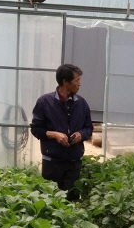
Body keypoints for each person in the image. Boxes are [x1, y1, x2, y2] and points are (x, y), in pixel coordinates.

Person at [29, 63, 92, 201]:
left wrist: (81, 134)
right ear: (65, 82)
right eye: (77, 80)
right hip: (52, 163)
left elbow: (88, 128)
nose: (79, 84)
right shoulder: (44, 102)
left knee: (72, 201)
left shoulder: (82, 103)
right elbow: (36, 129)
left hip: (74, 163)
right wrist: (54, 135)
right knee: (51, 201)